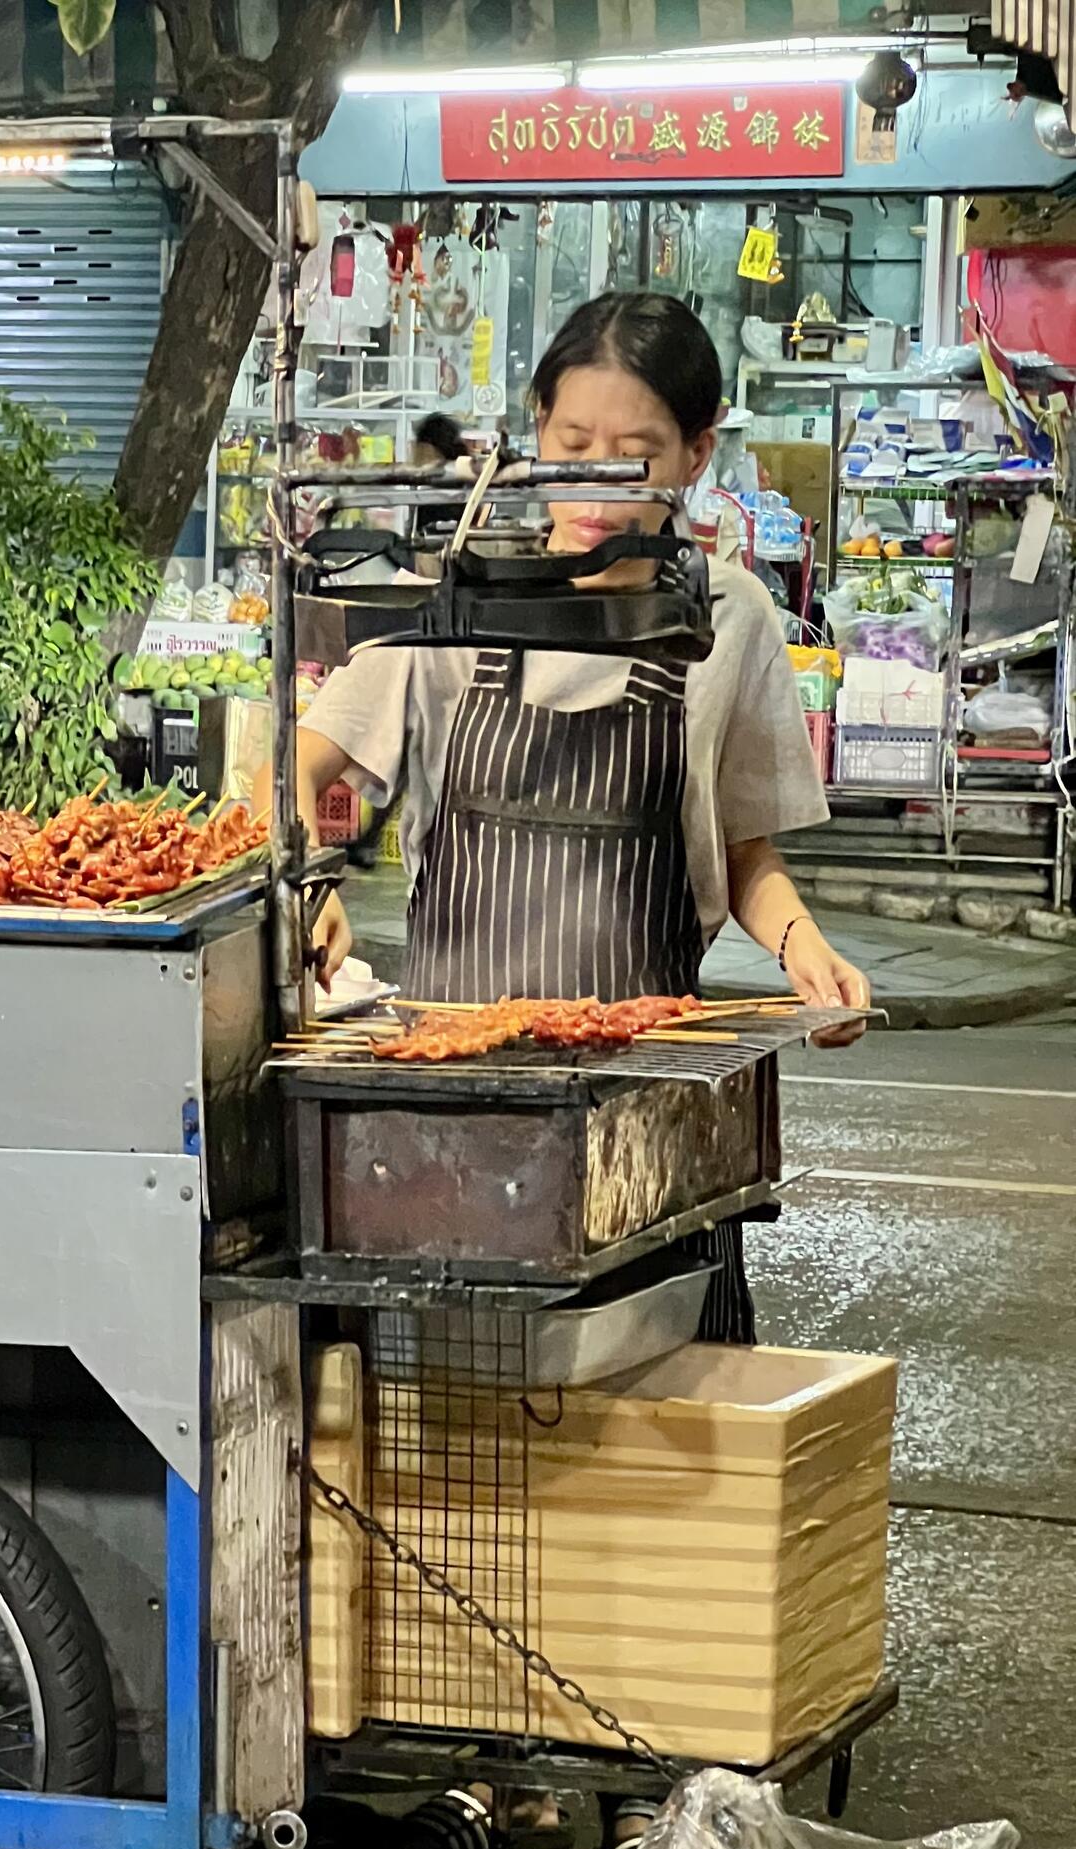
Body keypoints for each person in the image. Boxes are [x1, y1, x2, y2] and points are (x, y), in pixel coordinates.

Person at [294, 290, 869, 1349]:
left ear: (695, 454)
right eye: (572, 444)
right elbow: (298, 764)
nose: (596, 481)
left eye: (635, 455)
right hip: (454, 1119)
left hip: (648, 1122)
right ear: (535, 430)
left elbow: (740, 849)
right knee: (454, 1413)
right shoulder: (466, 599)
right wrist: (307, 881)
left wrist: (803, 947)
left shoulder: (727, 617)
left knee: (664, 1396)